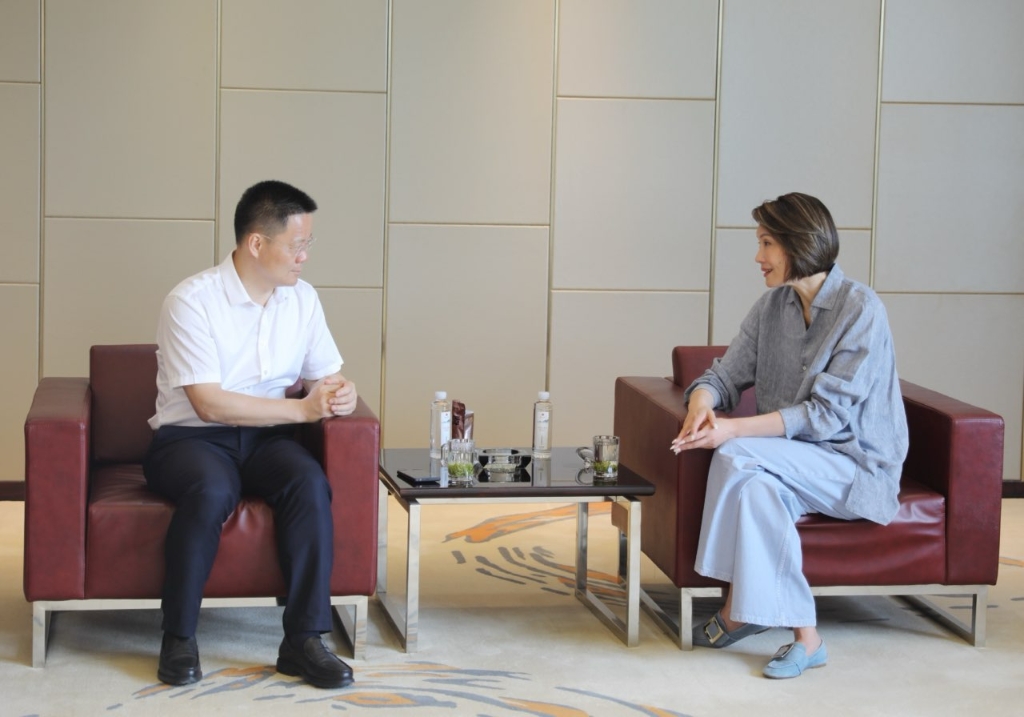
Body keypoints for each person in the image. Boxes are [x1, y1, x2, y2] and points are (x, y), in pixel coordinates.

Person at [670, 192, 908, 679]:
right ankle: (807, 638)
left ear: (799, 244)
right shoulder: (772, 307)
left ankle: (737, 607)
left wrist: (732, 430)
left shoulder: (861, 309)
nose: (757, 257)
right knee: (757, 488)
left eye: (766, 243)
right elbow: (724, 375)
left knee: (736, 454)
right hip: (787, 463)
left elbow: (826, 416)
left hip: (854, 466)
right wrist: (702, 405)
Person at [144, 180, 358, 689]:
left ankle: (304, 640)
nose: (305, 256)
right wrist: (302, 410)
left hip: (266, 440)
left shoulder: (302, 300)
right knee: (211, 489)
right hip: (191, 439)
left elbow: (325, 377)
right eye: (297, 244)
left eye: (308, 244)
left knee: (309, 483)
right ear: (257, 243)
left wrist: (340, 393)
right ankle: (178, 635)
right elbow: (208, 402)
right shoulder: (191, 300)